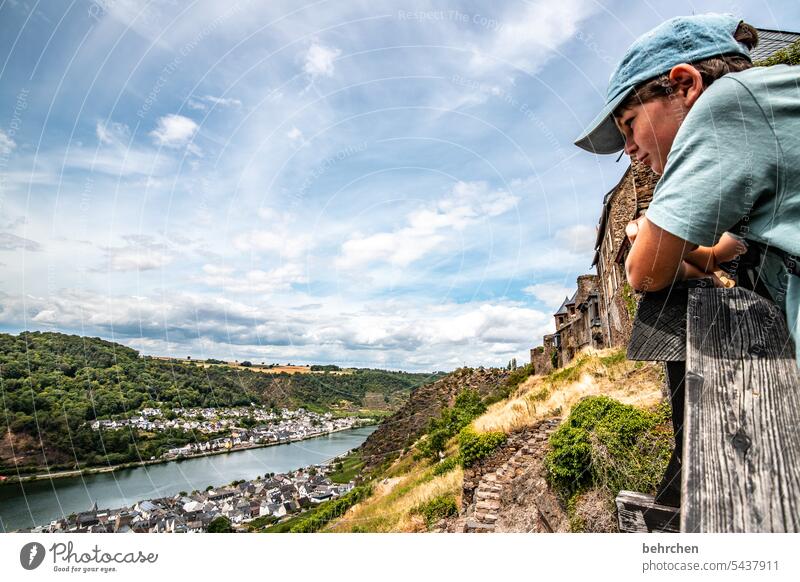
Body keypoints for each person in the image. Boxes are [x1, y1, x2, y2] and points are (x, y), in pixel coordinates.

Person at [574, 13, 800, 366]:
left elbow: (643, 273)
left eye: (630, 125)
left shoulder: (725, 107)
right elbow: (727, 251)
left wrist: (646, 233)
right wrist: (705, 258)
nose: (628, 148)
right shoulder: (764, 102)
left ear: (685, 85)